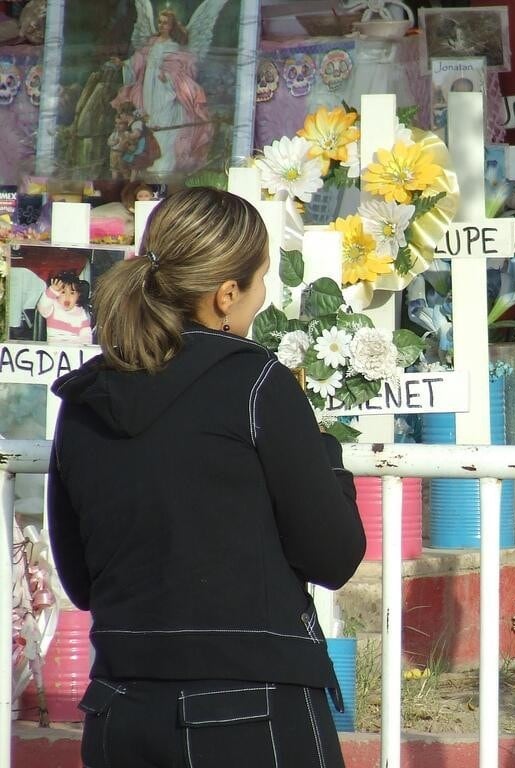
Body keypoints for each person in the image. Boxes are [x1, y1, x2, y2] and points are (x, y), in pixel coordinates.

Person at [47, 188, 364, 767]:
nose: (263, 295)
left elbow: (81, 581)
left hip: (120, 710)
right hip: (252, 713)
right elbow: (334, 556)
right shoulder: (256, 385)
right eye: (261, 279)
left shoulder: (87, 397)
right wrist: (326, 454)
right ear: (226, 294)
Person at [111, 7, 214, 175]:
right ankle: (150, 158)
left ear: (172, 26)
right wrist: (124, 64)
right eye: (160, 22)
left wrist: (167, 78)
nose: (161, 25)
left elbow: (183, 70)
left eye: (165, 23)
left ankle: (164, 163)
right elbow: (138, 61)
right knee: (149, 119)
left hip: (165, 89)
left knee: (163, 121)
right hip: (148, 86)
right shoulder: (152, 42)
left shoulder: (174, 46)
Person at [35, 271, 92, 344]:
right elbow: (42, 306)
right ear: (56, 294)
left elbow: (86, 335)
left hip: (74, 348)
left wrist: (85, 347)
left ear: (78, 295)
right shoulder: (52, 308)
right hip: (54, 348)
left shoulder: (81, 312)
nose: (67, 297)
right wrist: (51, 291)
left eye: (72, 293)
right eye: (63, 292)